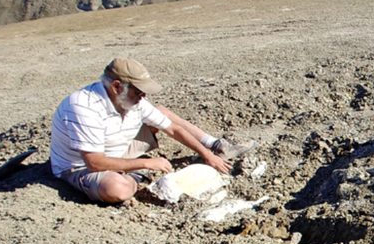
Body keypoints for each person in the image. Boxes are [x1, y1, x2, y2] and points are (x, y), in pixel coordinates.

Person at [49, 58, 256, 203]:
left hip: (117, 149)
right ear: (116, 87)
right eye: (139, 92)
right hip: (81, 167)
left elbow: (173, 128)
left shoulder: (132, 101)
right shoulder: (83, 108)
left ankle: (216, 145)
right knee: (117, 189)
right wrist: (146, 163)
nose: (143, 97)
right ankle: (137, 176)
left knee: (161, 113)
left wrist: (208, 155)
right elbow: (94, 162)